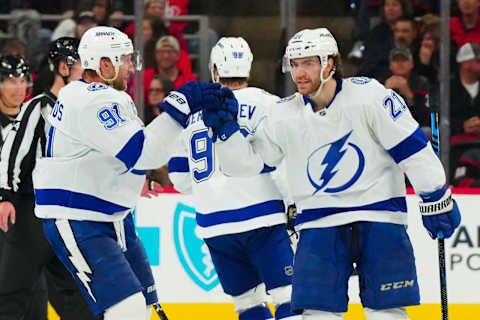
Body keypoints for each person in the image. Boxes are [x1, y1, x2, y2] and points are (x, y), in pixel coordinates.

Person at [201, 28, 461, 319]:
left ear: (330, 63)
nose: (299, 72)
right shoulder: (282, 115)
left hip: (378, 216)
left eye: (308, 63)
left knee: (386, 313)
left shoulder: (368, 96)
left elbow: (412, 147)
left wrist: (435, 195)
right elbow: (246, 165)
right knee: (317, 315)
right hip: (318, 222)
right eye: (294, 64)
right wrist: (226, 132)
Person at [31, 26, 222, 320]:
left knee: (143, 304)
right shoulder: (94, 100)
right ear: (105, 64)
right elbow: (143, 153)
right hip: (80, 218)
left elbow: (125, 153)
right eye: (125, 60)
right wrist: (179, 106)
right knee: (127, 309)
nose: (132, 68)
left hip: (110, 216)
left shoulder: (87, 94)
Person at [168, 37, 300, 320]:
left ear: (215, 70)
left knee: (247, 304)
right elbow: (286, 160)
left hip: (214, 225)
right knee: (287, 296)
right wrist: (293, 204)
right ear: (249, 68)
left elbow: (179, 178)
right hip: (262, 218)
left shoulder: (193, 114)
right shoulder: (269, 104)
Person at [0, 41, 97, 320]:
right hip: (31, 211)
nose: (86, 70)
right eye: (80, 64)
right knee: (13, 292)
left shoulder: (78, 110)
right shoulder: (39, 107)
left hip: (62, 213)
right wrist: (6, 196)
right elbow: (13, 152)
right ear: (63, 67)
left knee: (73, 293)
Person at [383, 46, 430, 131]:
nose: (400, 63)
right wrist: (384, 93)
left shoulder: (422, 83)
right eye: (396, 60)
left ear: (411, 64)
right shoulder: (381, 83)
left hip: (414, 128)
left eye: (404, 60)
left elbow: (426, 118)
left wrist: (409, 96)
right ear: (390, 65)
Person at [450, 42, 480, 138]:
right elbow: (438, 119)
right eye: (478, 61)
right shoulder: (448, 88)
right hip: (455, 144)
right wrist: (462, 126)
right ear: (466, 63)